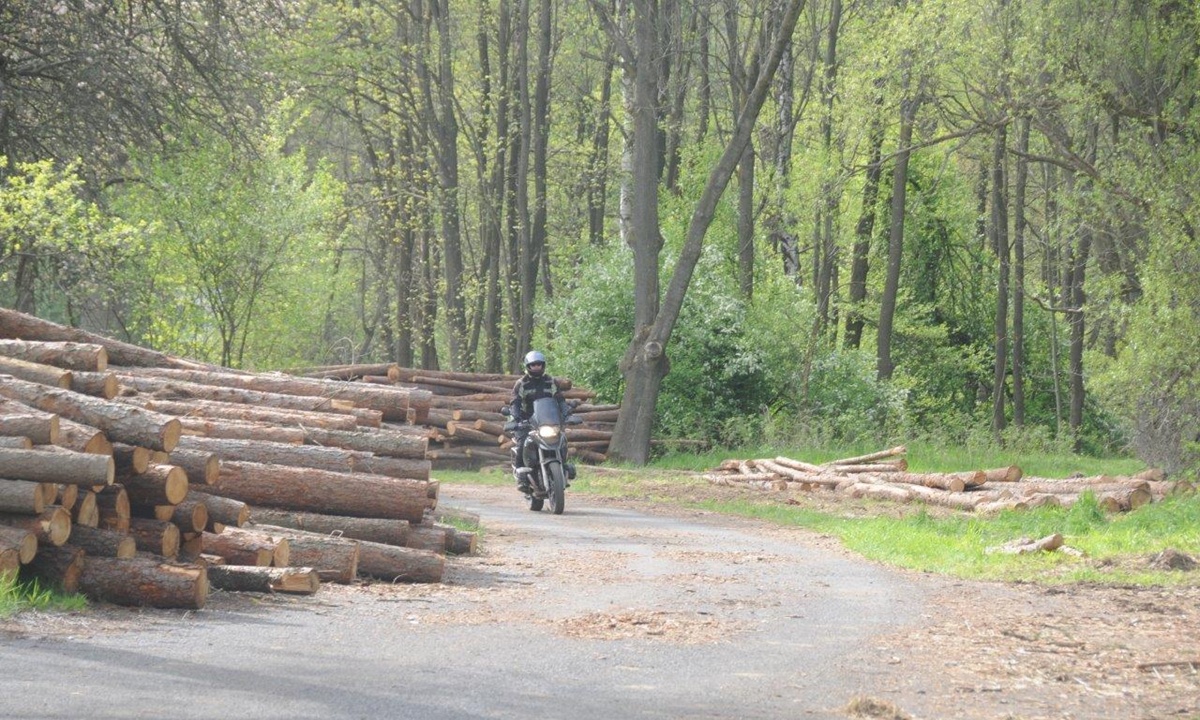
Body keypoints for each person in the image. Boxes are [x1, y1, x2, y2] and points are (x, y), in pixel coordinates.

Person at [509, 350, 565, 492]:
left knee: (562, 440)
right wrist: (517, 419)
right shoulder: (521, 383)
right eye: (533, 365)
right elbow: (515, 402)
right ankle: (522, 476)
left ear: (543, 365)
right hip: (527, 420)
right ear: (528, 366)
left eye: (539, 364)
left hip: (547, 421)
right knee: (522, 443)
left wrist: (567, 413)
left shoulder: (551, 381)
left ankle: (563, 467)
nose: (536, 367)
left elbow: (560, 399)